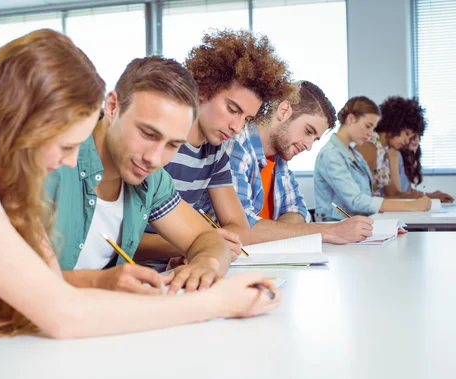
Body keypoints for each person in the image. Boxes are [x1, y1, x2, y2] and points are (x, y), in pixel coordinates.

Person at [0, 30, 281, 362]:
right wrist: (217, 302)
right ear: (19, 123)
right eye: (63, 146)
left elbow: (43, 283)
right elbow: (63, 312)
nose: (71, 162)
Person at [45, 55, 242, 295]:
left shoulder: (152, 179)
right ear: (112, 107)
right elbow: (11, 278)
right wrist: (98, 282)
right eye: (148, 134)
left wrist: (205, 265)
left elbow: (207, 238)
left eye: (173, 145)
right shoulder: (53, 161)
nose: (155, 159)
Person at [136, 29, 293, 267]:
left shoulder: (215, 153)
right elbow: (125, 240)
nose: (237, 127)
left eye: (247, 119)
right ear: (203, 90)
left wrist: (200, 246)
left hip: (180, 271)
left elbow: (241, 229)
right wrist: (196, 242)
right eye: (233, 109)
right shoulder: (153, 148)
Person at [214, 81, 374, 244]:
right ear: (283, 111)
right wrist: (328, 231)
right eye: (308, 131)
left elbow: (298, 210)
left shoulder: (279, 158)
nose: (309, 146)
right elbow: (243, 229)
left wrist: (273, 233)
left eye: (315, 139)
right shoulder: (237, 147)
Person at [314, 96, 432, 221]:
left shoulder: (356, 155)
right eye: (368, 126)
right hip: (336, 226)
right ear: (351, 119)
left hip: (356, 225)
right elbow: (356, 201)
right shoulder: (330, 155)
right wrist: (410, 205)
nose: (371, 133)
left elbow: (367, 197)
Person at [354, 96, 424, 198]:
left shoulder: (383, 152)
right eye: (407, 134)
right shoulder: (369, 147)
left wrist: (421, 197)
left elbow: (394, 194)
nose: (407, 141)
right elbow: (358, 198)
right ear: (395, 125)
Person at [392, 133, 454, 203]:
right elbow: (396, 195)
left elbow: (406, 190)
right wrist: (427, 196)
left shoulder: (408, 157)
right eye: (412, 135)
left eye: (419, 135)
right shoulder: (394, 153)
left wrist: (431, 195)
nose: (416, 139)